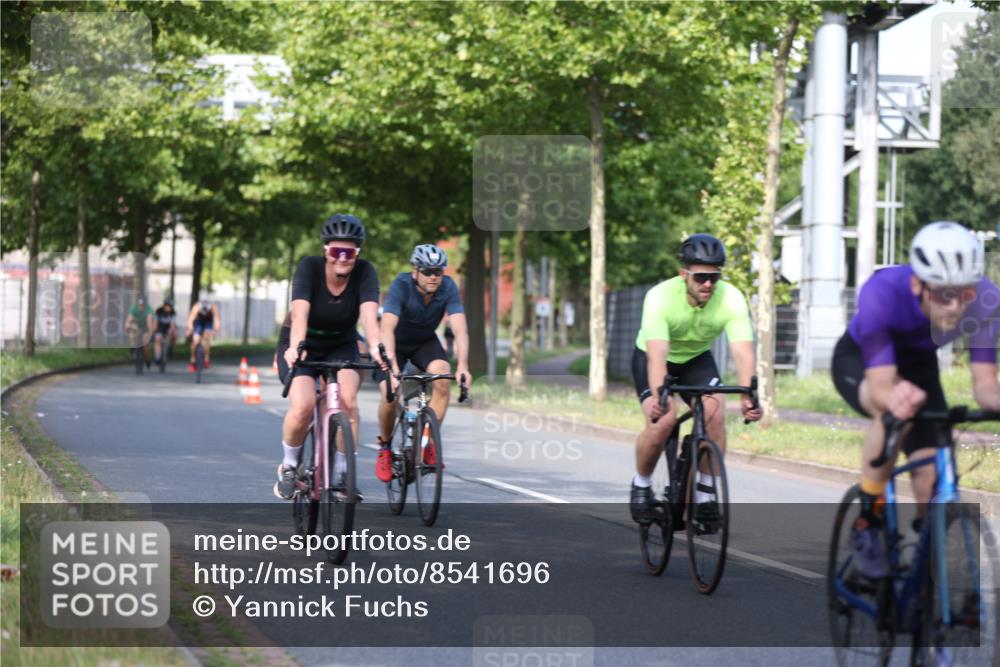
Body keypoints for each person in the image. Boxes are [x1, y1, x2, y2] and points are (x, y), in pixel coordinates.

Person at [831, 221, 1000, 578]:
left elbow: (985, 386)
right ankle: (868, 522)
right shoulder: (883, 293)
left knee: (931, 474)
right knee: (892, 411)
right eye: (944, 294)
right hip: (863, 360)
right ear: (917, 284)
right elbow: (881, 386)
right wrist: (894, 395)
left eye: (964, 294)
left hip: (919, 367)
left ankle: (925, 558)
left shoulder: (986, 300)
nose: (955, 306)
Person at [629, 233, 761, 522]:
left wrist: (748, 395)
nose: (708, 284)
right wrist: (658, 395)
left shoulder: (731, 298)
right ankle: (641, 485)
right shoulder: (660, 297)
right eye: (701, 277)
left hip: (696, 360)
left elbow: (742, 351)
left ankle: (703, 493)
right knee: (663, 419)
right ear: (683, 274)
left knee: (714, 412)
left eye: (714, 277)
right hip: (654, 357)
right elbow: (656, 355)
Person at [274, 214, 385, 500]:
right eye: (337, 251)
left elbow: (370, 319)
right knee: (303, 405)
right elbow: (299, 315)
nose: (343, 258)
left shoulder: (365, 272)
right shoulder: (308, 268)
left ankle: (342, 476)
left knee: (348, 402)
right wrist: (296, 347)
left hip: (341, 342)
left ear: (358, 253)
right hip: (303, 341)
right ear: (326, 251)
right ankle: (289, 465)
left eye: (350, 252)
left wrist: (376, 349)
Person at [374, 243, 471, 482]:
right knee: (390, 393)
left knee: (443, 377)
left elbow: (460, 330)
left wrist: (463, 367)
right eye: (427, 271)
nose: (433, 277)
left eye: (438, 271)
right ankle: (385, 447)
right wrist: (393, 369)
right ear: (415, 271)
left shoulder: (448, 287)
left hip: (424, 342)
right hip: (395, 342)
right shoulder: (401, 285)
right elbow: (386, 327)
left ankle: (428, 441)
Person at [186, 298, 220, 372]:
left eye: (206, 310)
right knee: (195, 340)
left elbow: (217, 319)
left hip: (208, 321)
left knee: (207, 336)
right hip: (198, 321)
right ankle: (192, 359)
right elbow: (191, 319)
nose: (204, 312)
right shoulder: (196, 307)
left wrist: (215, 330)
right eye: (202, 310)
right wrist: (190, 329)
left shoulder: (213, 307)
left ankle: (206, 358)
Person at [125, 295, 155, 367]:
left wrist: (150, 334)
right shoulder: (134, 308)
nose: (140, 307)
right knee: (132, 333)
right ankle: (133, 347)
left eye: (142, 305)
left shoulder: (149, 309)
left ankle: (147, 359)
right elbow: (129, 319)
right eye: (139, 305)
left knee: (145, 345)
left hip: (146, 326)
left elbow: (149, 323)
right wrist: (127, 326)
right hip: (137, 324)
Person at [153, 298, 177, 365]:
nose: (170, 308)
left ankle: (170, 348)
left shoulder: (173, 313)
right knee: (158, 338)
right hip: (160, 327)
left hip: (169, 327)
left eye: (171, 306)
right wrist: (154, 331)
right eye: (169, 306)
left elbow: (172, 324)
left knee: (174, 334)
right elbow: (155, 323)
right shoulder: (158, 311)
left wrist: (171, 330)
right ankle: (158, 357)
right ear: (165, 305)